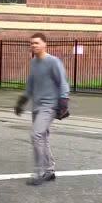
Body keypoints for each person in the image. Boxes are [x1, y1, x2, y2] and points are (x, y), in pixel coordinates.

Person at [15, 33, 70, 186]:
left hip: (49, 105)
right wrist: (22, 101)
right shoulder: (33, 63)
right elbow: (30, 86)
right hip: (37, 106)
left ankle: (40, 172)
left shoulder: (53, 62)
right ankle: (50, 170)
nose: (34, 46)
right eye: (32, 43)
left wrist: (64, 101)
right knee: (43, 137)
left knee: (37, 135)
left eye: (37, 43)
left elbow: (63, 83)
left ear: (45, 44)